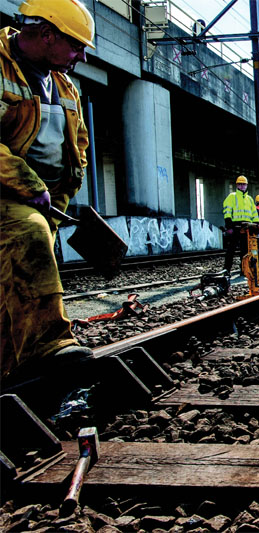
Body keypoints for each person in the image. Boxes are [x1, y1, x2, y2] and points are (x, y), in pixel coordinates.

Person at [0, 0, 96, 381]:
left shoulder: (62, 83)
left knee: (15, 286)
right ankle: (48, 343)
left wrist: (62, 192)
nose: (82, 56)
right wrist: (27, 184)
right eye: (76, 45)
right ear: (46, 34)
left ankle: (12, 372)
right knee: (28, 235)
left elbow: (79, 142)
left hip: (46, 200)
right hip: (9, 194)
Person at [222, 175, 258, 274]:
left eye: (244, 184)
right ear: (237, 185)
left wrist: (255, 225)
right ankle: (226, 270)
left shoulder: (250, 199)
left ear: (246, 185)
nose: (242, 186)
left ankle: (244, 269)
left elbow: (254, 214)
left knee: (245, 250)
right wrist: (229, 226)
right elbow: (227, 211)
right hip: (235, 226)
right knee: (231, 250)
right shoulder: (232, 196)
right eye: (240, 184)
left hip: (247, 227)